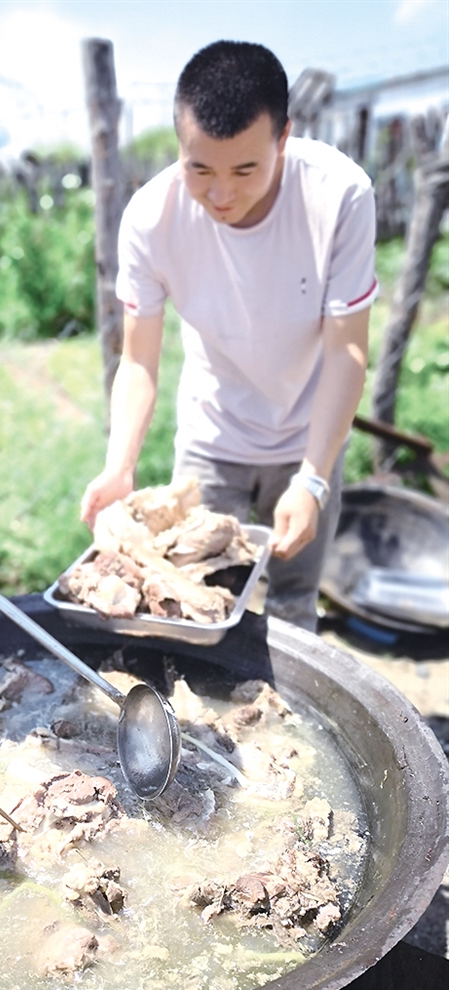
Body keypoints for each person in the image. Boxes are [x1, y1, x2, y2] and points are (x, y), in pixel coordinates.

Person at [80, 40, 377, 632]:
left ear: (283, 138)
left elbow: (347, 350)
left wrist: (313, 479)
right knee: (199, 609)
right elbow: (139, 362)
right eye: (200, 169)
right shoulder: (150, 219)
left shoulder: (340, 195)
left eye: (246, 170)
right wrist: (120, 466)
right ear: (179, 144)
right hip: (212, 440)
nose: (221, 194)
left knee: (294, 604)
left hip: (310, 436)